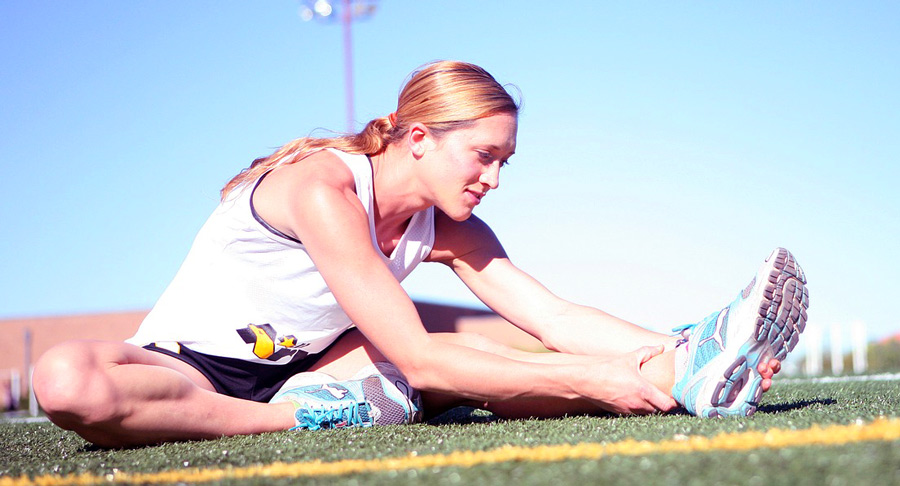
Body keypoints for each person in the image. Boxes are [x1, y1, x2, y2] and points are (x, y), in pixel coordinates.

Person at [32, 61, 809, 447]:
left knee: (485, 358)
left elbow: (553, 314)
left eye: (505, 162)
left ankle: (688, 364)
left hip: (323, 367)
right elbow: (420, 356)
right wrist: (593, 379)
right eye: (482, 155)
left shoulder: (449, 226)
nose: (493, 178)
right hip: (187, 369)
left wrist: (667, 349)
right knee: (65, 380)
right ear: (415, 138)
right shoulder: (320, 188)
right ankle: (295, 422)